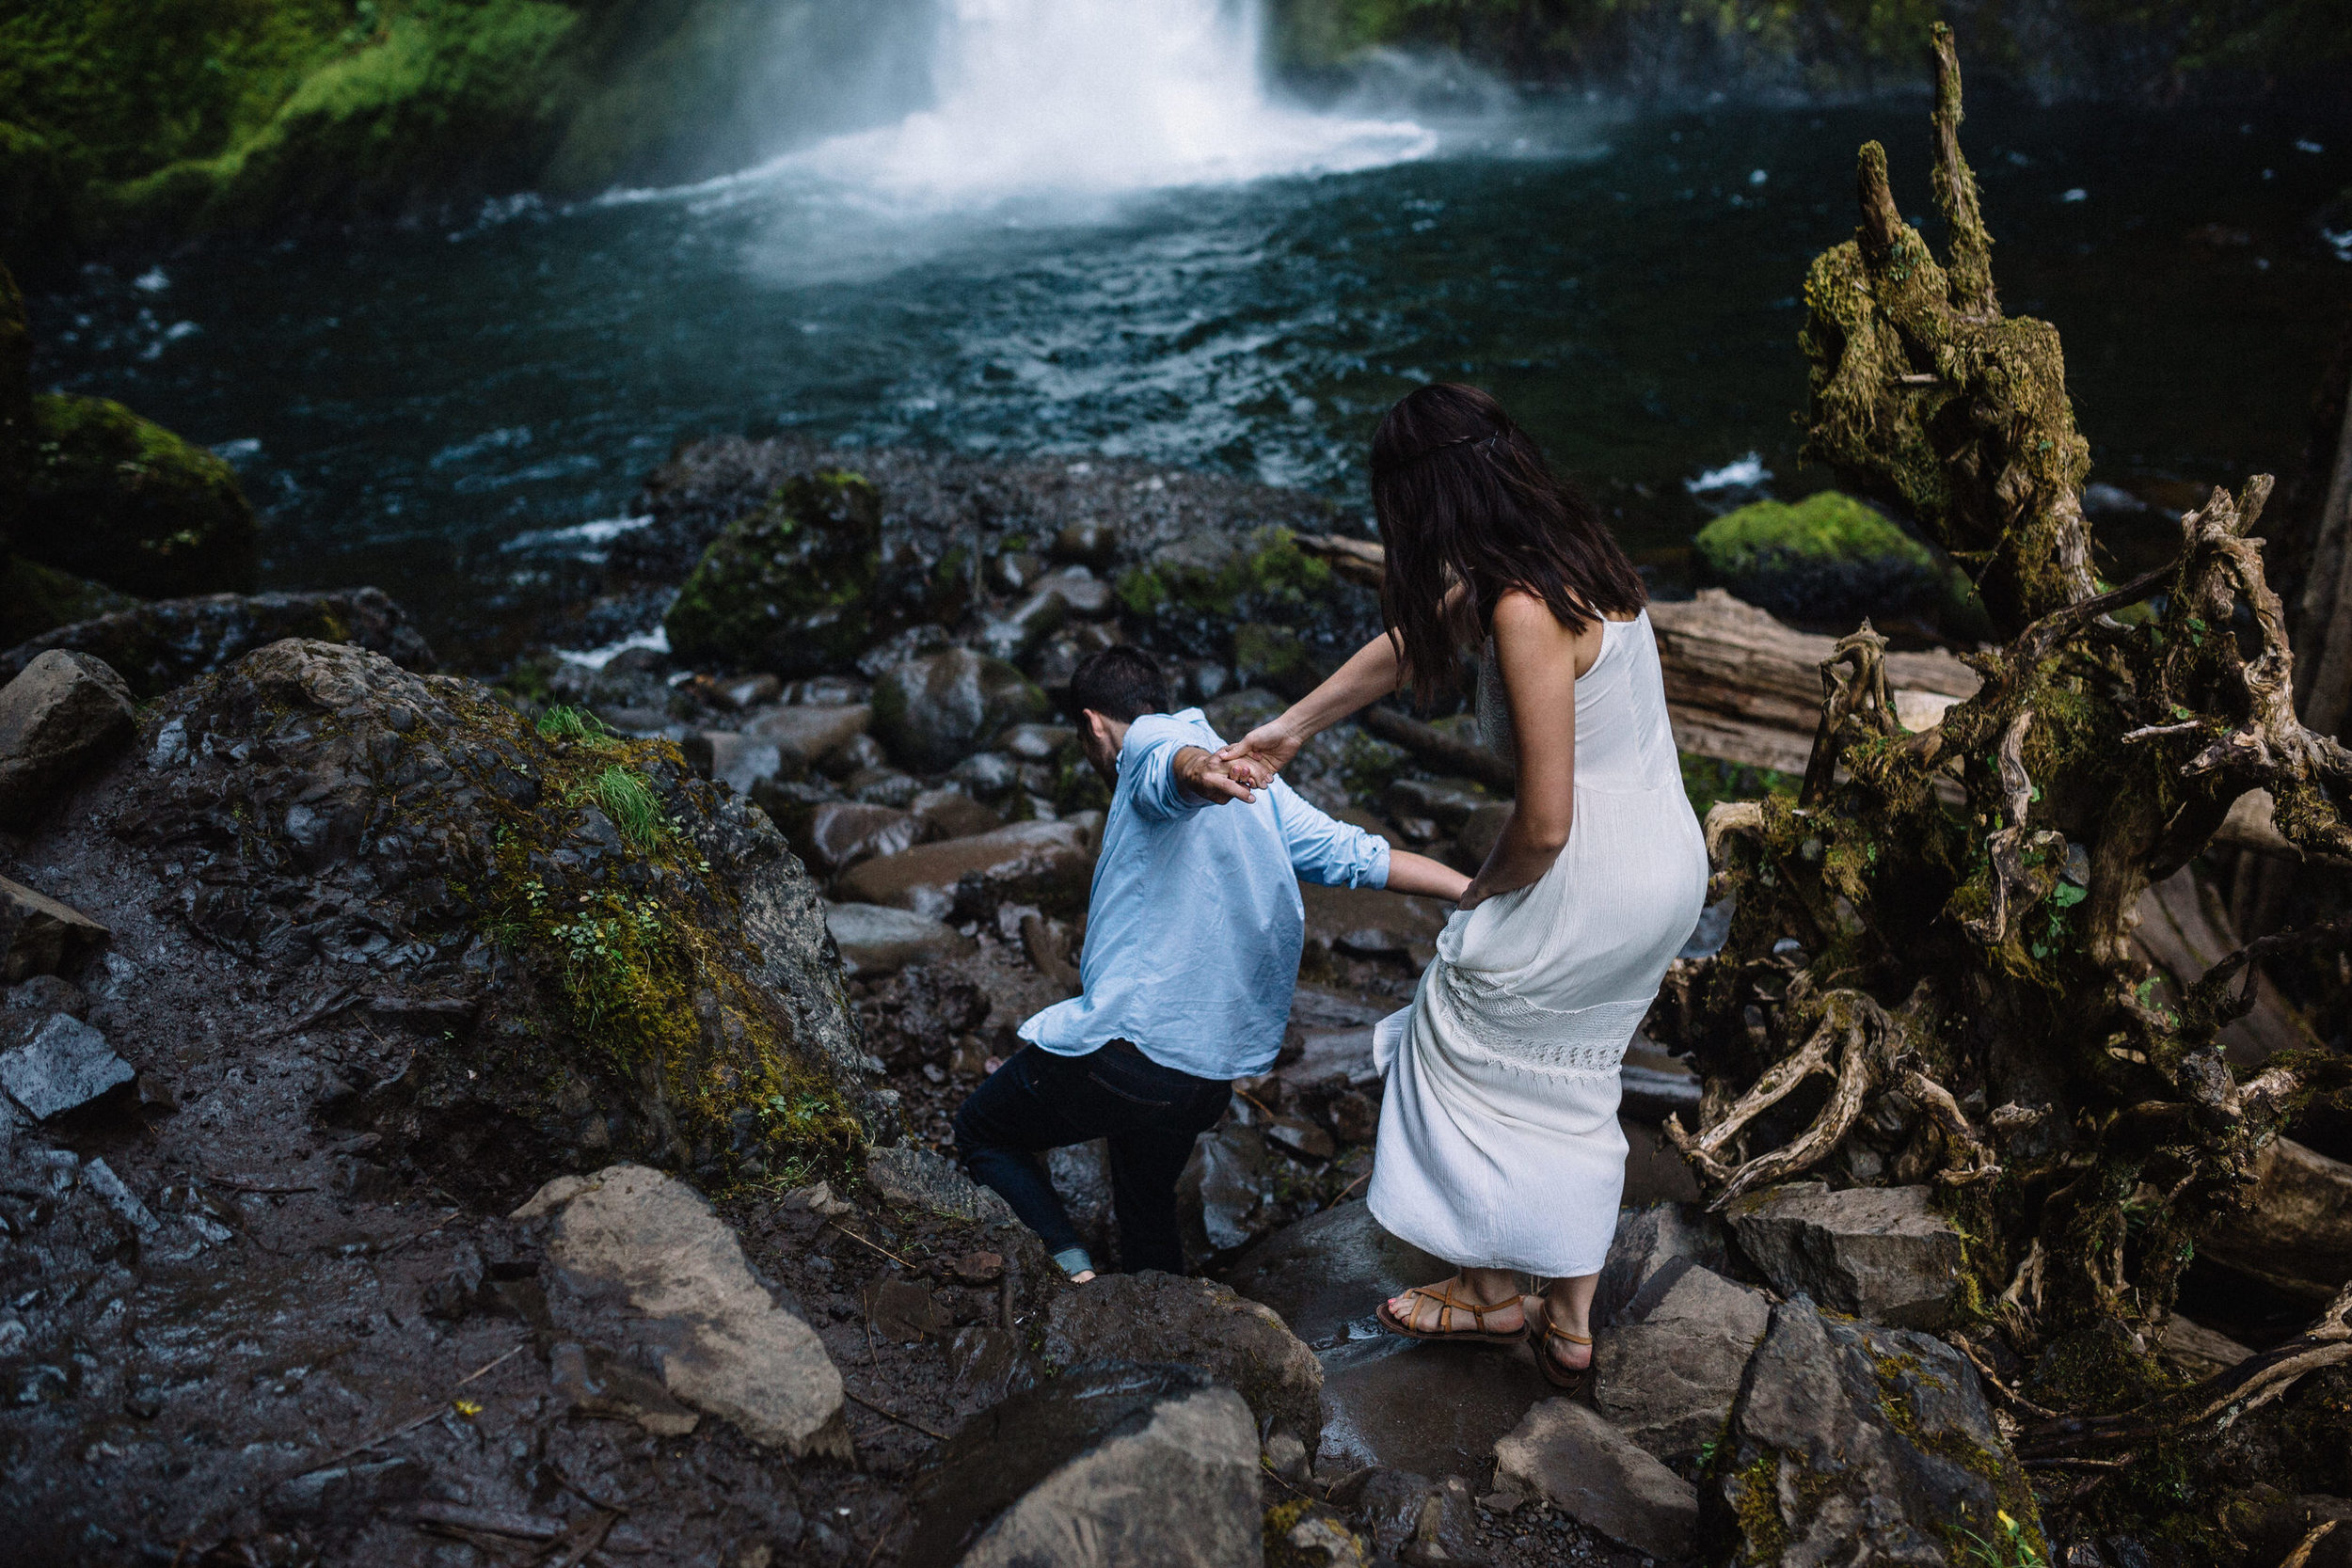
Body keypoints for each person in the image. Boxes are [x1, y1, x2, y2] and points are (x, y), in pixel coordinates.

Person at [1215, 383, 1708, 1386]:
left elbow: (1546, 821)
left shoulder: (1523, 605)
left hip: (1594, 869)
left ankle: (1491, 1295)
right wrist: (1292, 728)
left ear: (1425, 500)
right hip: (1665, 860)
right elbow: (1409, 650)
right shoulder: (1562, 554)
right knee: (1567, 1073)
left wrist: (1482, 890)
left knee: (1453, 1028)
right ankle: (1566, 1320)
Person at [952, 644, 1469, 1281]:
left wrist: (1197, 774)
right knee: (1143, 1195)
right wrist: (1478, 888)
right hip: (1207, 1077)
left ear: (1091, 723)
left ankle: (1072, 1269)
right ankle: (1166, 1304)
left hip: (1129, 1053)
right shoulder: (1257, 783)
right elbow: (1360, 855)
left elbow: (1168, 766)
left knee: (981, 1130)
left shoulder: (1149, 740)